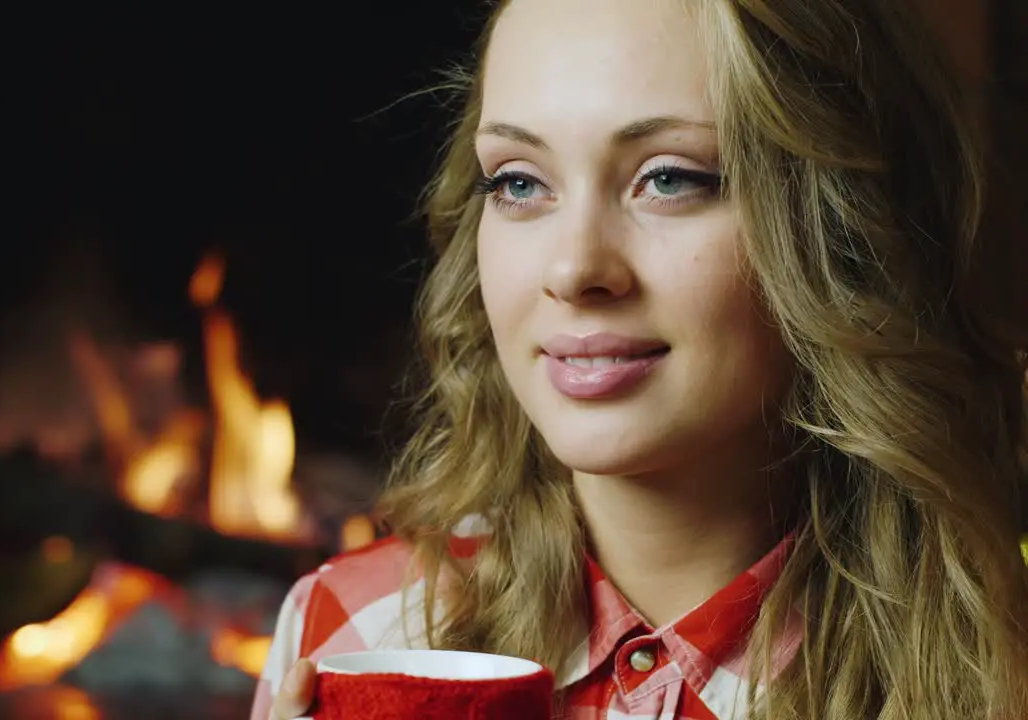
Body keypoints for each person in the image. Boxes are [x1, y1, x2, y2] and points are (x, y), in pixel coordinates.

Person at [252, 0, 1028, 717]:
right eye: (520, 183)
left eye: (669, 178)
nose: (574, 270)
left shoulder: (1000, 662)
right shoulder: (351, 633)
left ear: (842, 227)